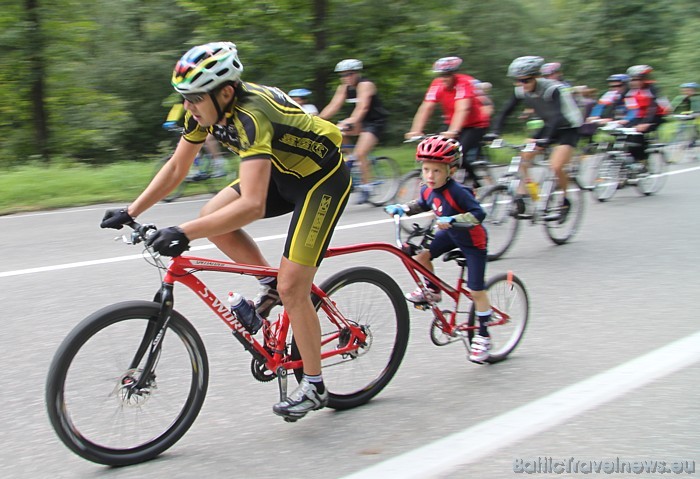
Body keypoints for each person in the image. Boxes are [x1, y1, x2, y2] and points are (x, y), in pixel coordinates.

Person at [100, 42, 351, 421]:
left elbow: (251, 204)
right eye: (183, 98)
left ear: (226, 92)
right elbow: (177, 168)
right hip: (282, 174)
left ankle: (314, 385)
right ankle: (269, 286)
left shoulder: (251, 116)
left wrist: (183, 231)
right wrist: (131, 210)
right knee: (213, 216)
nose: (187, 106)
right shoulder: (204, 111)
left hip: (322, 181)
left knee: (292, 286)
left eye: (194, 98)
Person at [383, 136, 492, 363]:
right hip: (451, 234)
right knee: (422, 256)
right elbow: (421, 204)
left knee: (476, 291)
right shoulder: (428, 189)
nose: (430, 176)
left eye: (436, 171)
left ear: (451, 171)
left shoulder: (459, 192)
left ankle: (483, 336)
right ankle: (433, 290)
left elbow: (479, 214)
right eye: (426, 170)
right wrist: (402, 208)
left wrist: (454, 219)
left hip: (472, 241)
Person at [490, 56, 583, 219]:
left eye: (526, 80)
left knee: (556, 166)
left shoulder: (553, 89)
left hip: (568, 127)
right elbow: (505, 112)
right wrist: (494, 132)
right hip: (549, 125)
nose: (522, 85)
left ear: (536, 77)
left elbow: (556, 116)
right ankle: (525, 197)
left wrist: (545, 139)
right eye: (518, 81)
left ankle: (564, 200)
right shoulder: (520, 90)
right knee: (522, 158)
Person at [405, 57, 489, 188]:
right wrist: (415, 130)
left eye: (448, 75)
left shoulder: (464, 82)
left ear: (454, 74)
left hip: (475, 125)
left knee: (458, 153)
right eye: (441, 75)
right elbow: (426, 107)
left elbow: (463, 108)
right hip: (451, 123)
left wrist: (453, 131)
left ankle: (475, 183)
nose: (444, 78)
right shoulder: (437, 84)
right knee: (436, 152)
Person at [319, 59, 388, 204]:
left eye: (349, 74)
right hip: (360, 121)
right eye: (342, 75)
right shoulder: (344, 87)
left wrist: (350, 121)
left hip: (374, 122)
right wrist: (316, 120)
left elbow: (362, 108)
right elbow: (333, 106)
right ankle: (351, 160)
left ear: (357, 73)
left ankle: (367, 186)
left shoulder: (365, 85)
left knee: (361, 152)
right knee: (336, 133)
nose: (346, 78)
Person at [618, 65, 668, 162]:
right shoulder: (629, 90)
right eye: (632, 80)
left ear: (644, 79)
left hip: (655, 115)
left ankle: (641, 160)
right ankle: (629, 158)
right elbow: (619, 106)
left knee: (637, 135)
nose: (634, 82)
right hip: (639, 116)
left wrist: (646, 122)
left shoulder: (652, 89)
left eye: (637, 79)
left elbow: (653, 107)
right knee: (622, 131)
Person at [163, 101, 225, 167]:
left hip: (212, 120)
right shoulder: (184, 101)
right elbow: (178, 106)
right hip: (198, 122)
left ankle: (219, 162)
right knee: (192, 142)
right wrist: (170, 121)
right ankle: (199, 169)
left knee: (208, 139)